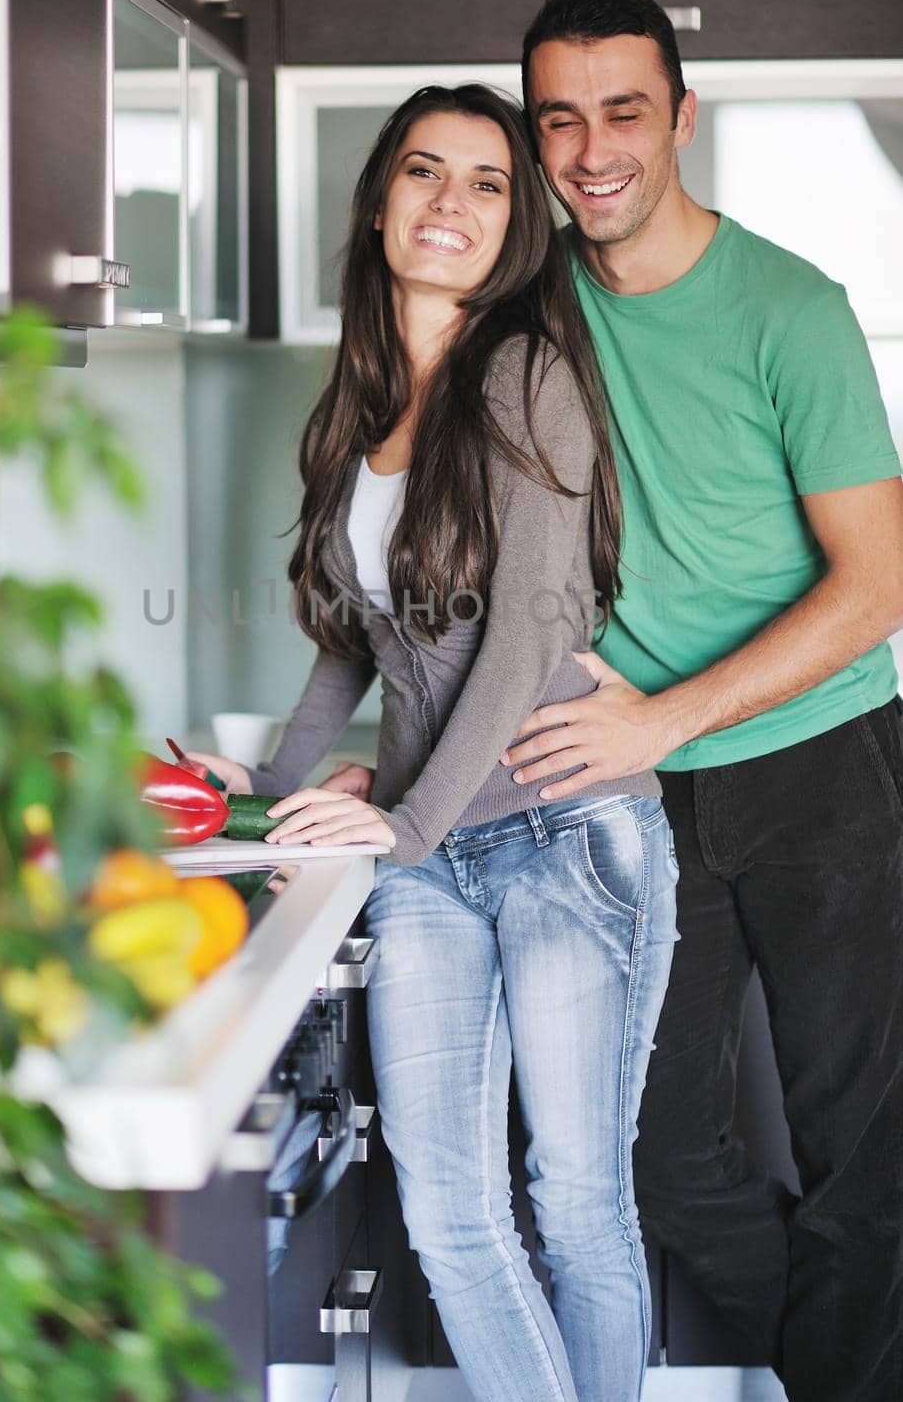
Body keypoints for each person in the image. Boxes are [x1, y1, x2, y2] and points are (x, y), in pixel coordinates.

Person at [187, 82, 678, 1402]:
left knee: (576, 1209)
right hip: (430, 857)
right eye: (422, 171)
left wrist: (401, 821)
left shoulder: (527, 376)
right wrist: (263, 789)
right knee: (450, 1221)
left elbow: (518, 646)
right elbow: (352, 634)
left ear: (516, 226)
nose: (448, 202)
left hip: (568, 832)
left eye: (485, 181)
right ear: (382, 201)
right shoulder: (363, 408)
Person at [499, 0, 903, 1402]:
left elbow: (878, 585)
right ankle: (840, 1355)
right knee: (654, 1153)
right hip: (634, 786)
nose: (593, 149)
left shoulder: (793, 310)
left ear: (681, 118)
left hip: (826, 762)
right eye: (561, 119)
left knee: (866, 1145)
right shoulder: (528, 308)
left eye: (623, 112)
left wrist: (665, 717)